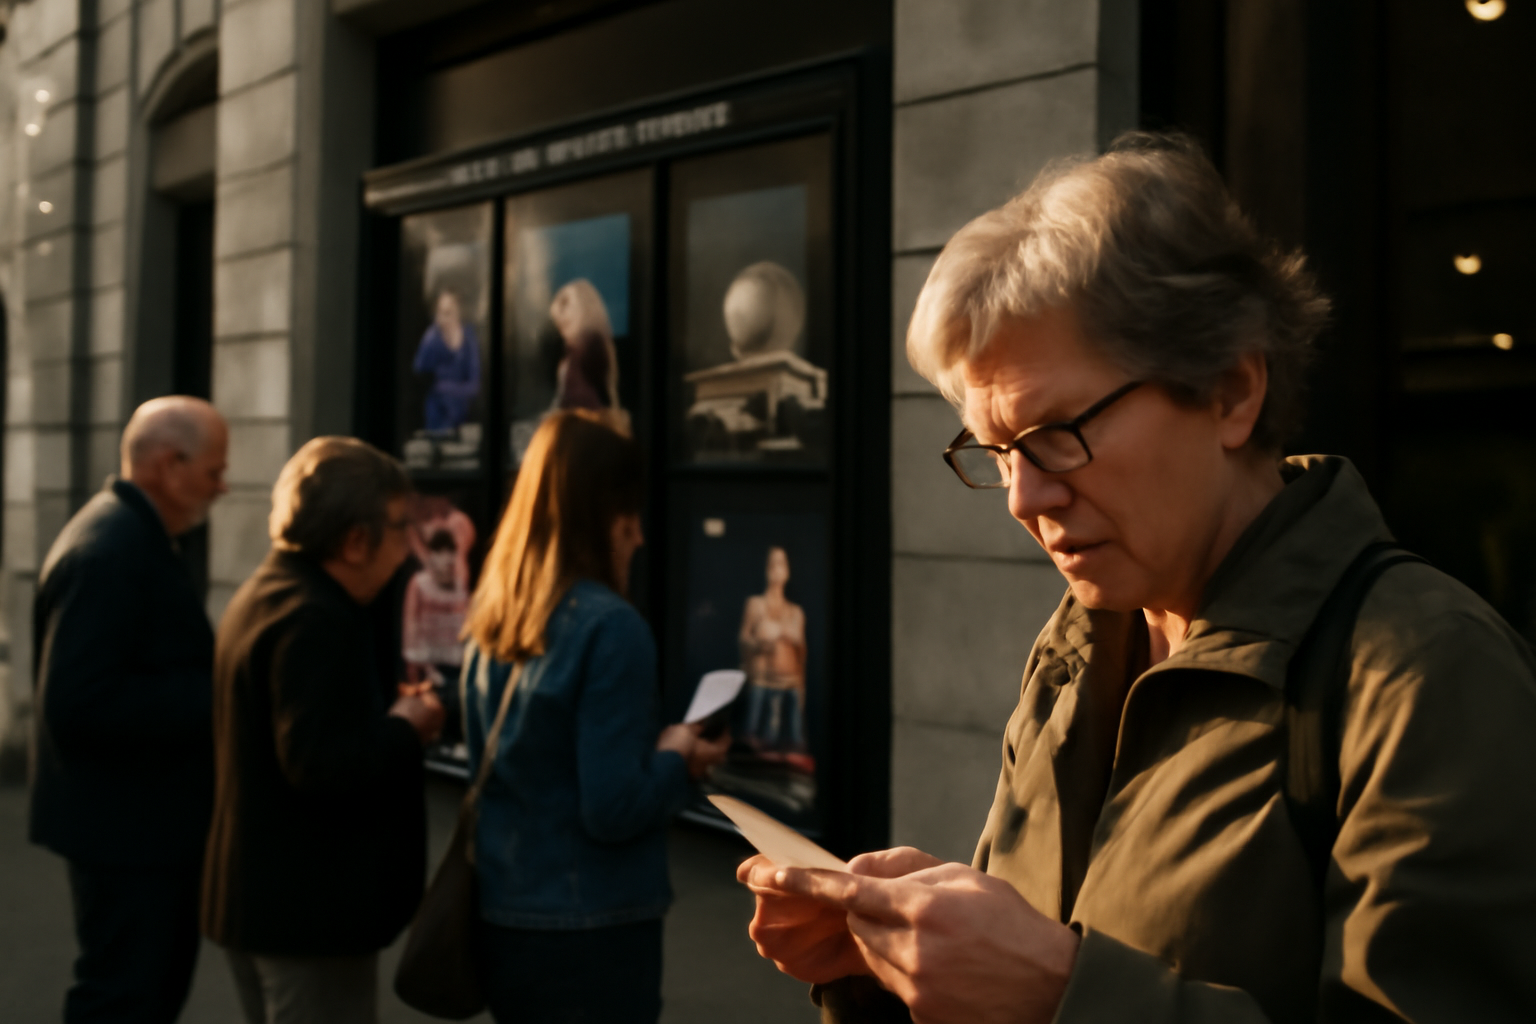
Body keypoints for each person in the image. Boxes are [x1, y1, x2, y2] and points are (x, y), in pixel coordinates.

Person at [737, 133, 1536, 1023]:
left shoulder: (1427, 673)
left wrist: (1057, 993)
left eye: (1056, 434)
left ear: (1231, 391)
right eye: (997, 452)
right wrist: (894, 969)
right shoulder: (1081, 644)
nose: (1023, 498)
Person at [459, 410, 729, 1023]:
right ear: (605, 514)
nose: (639, 536)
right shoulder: (611, 629)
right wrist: (678, 756)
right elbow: (613, 808)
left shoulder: (493, 615)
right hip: (592, 930)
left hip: (504, 913)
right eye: (630, 513)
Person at [202, 436, 444, 1024]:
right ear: (355, 541)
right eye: (399, 527)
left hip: (264, 899)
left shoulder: (269, 591)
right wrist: (406, 727)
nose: (407, 548)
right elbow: (320, 764)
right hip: (305, 914)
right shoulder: (313, 617)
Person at [30, 396, 228, 1024]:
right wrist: (215, 693)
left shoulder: (128, 535)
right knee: (124, 997)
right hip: (128, 833)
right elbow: (78, 702)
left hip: (136, 825)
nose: (222, 487)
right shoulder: (110, 550)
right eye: (214, 471)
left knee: (142, 991)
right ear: (169, 465)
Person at [738, 546, 809, 764]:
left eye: (781, 564)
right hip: (762, 679)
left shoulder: (795, 612)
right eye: (773, 564)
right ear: (766, 568)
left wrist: (789, 636)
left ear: (787, 571)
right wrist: (760, 643)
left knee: (793, 742)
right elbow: (743, 639)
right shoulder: (755, 604)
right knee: (754, 740)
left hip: (789, 681)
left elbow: (802, 654)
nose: (777, 569)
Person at [413, 289, 481, 432]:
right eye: (439, 313)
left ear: (458, 312)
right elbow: (419, 372)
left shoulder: (469, 338)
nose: (442, 319)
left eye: (448, 313)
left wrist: (444, 388)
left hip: (463, 417)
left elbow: (474, 385)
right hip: (436, 418)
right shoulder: (432, 338)